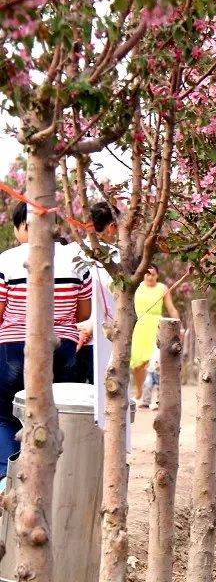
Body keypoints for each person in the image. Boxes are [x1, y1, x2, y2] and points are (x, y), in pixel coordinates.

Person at [0, 201, 92, 478]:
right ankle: (55, 480)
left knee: (5, 415)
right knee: (58, 416)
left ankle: (7, 478)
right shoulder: (76, 259)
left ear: (24, 227)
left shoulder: (6, 260)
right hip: (63, 348)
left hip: (15, 349)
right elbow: (83, 312)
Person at [74, 202, 119, 385]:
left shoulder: (71, 252)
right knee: (101, 399)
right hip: (102, 339)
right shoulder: (115, 256)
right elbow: (117, 295)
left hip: (69, 337)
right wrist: (92, 324)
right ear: (111, 227)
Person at [130, 264, 179, 405]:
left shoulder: (162, 288)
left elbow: (171, 307)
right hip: (139, 325)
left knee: (155, 362)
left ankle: (158, 397)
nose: (150, 276)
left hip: (156, 326)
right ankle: (139, 391)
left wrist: (177, 325)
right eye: (147, 274)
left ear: (157, 275)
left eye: (153, 274)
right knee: (137, 362)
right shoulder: (136, 286)